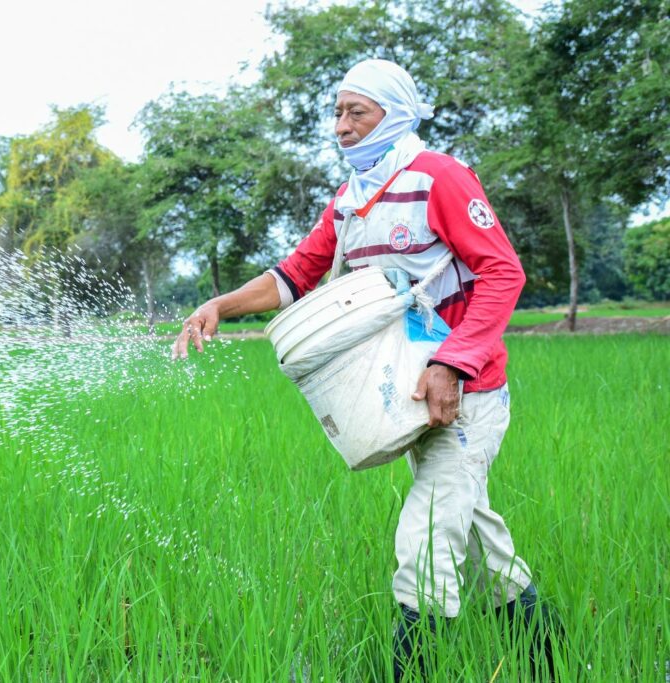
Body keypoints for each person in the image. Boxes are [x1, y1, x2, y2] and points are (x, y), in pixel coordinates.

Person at [171, 59, 559, 680]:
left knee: (427, 538)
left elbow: (502, 271)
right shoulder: (352, 198)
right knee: (484, 544)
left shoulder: (440, 178)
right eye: (337, 112)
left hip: (466, 395)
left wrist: (452, 364)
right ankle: (556, 656)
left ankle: (407, 671)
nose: (342, 126)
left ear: (396, 114)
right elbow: (295, 274)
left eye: (358, 113)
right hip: (405, 396)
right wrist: (221, 305)